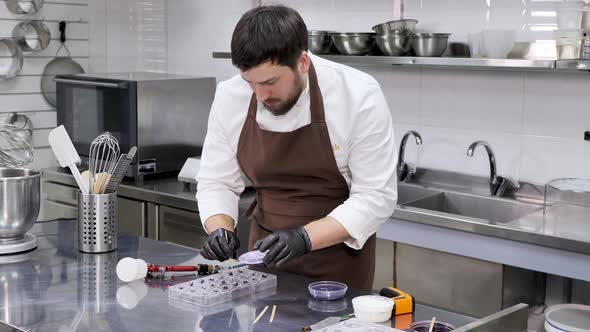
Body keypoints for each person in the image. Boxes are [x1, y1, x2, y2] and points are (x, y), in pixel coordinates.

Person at [196, 5, 397, 289]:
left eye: (270, 82)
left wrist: (304, 237)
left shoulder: (358, 94)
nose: (261, 95)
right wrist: (219, 227)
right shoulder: (231, 95)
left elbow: (376, 197)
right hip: (263, 260)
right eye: (250, 83)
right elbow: (217, 181)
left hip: (337, 262)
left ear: (302, 62)